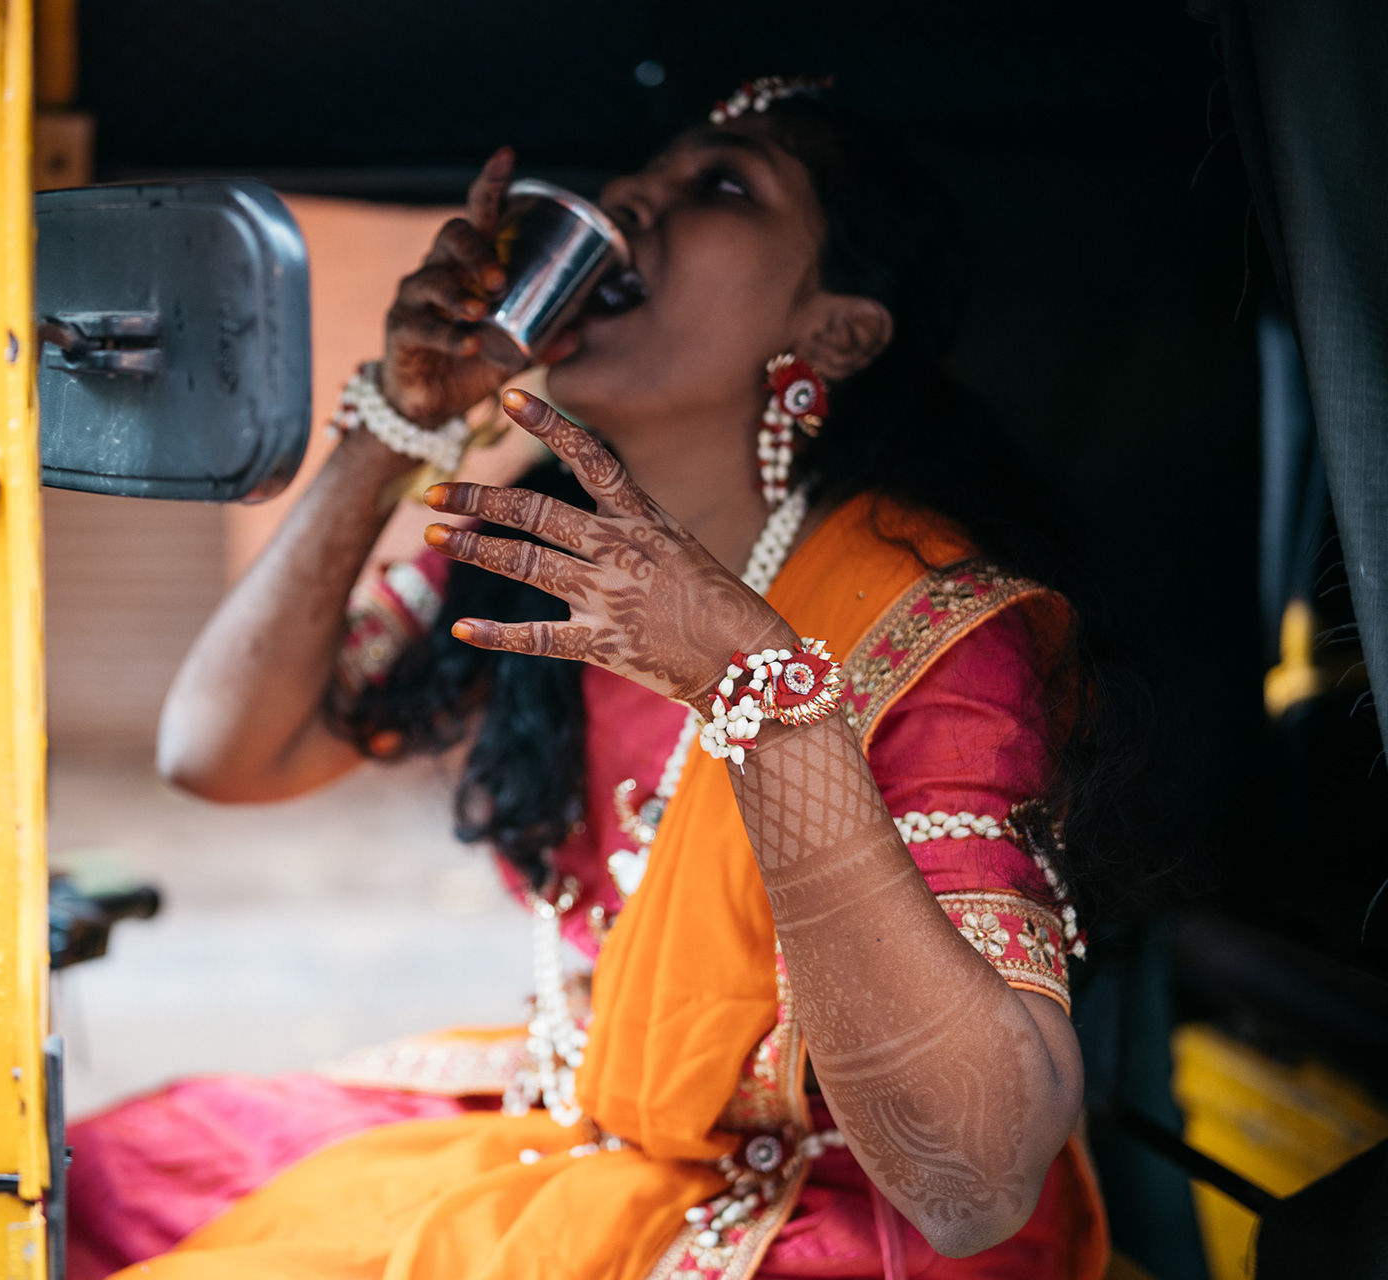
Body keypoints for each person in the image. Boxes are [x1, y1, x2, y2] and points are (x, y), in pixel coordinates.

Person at [67, 78, 1119, 1280]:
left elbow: (971, 1181)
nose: (629, 202)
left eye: (722, 186)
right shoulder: (551, 553)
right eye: (643, 178)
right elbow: (216, 751)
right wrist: (401, 423)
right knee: (92, 1181)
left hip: (831, 1213)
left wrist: (758, 694)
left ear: (835, 331)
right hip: (586, 1128)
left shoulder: (923, 619)